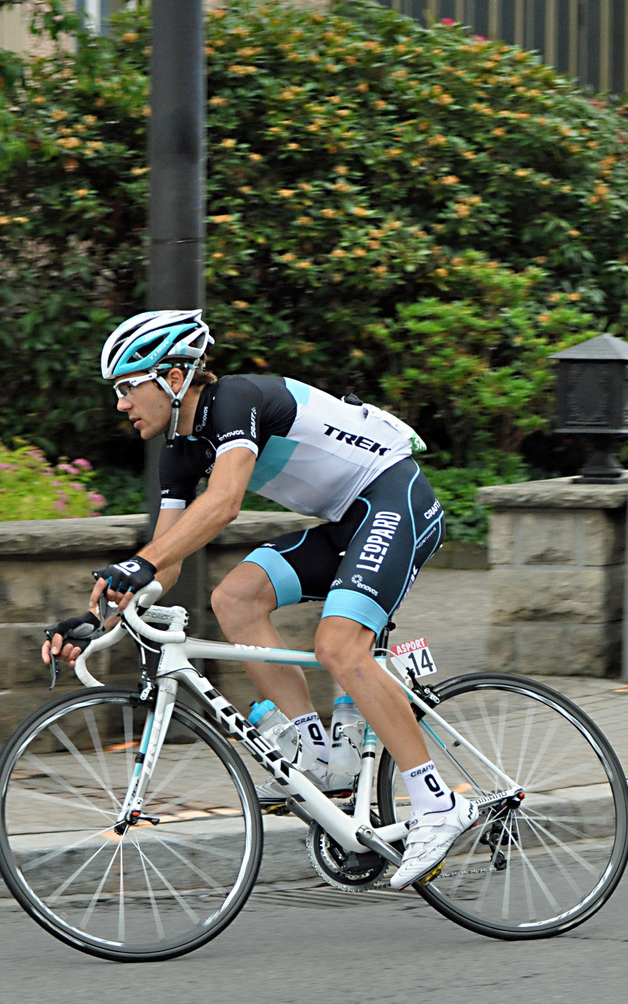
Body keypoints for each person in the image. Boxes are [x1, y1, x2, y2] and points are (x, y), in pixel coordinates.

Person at [40, 309, 476, 889]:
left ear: (173, 378)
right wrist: (97, 620)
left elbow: (224, 504)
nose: (120, 404)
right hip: (349, 522)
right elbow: (164, 561)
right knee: (235, 597)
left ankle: (440, 803)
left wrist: (140, 562)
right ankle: (320, 754)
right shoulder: (179, 450)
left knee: (339, 647)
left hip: (395, 500)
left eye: (128, 387)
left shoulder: (235, 400)